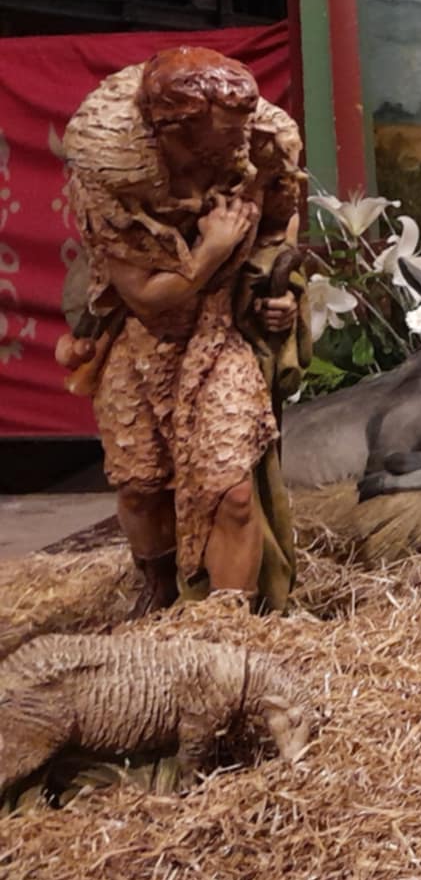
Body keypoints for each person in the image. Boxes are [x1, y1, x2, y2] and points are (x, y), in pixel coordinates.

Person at [58, 48, 305, 615]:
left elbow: (278, 229)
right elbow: (144, 295)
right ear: (171, 131)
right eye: (221, 137)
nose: (236, 147)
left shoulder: (258, 148)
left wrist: (277, 294)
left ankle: (227, 620)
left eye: (240, 130)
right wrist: (211, 249)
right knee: (142, 487)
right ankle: (158, 592)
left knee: (230, 490)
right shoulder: (113, 177)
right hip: (140, 343)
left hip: (219, 335)